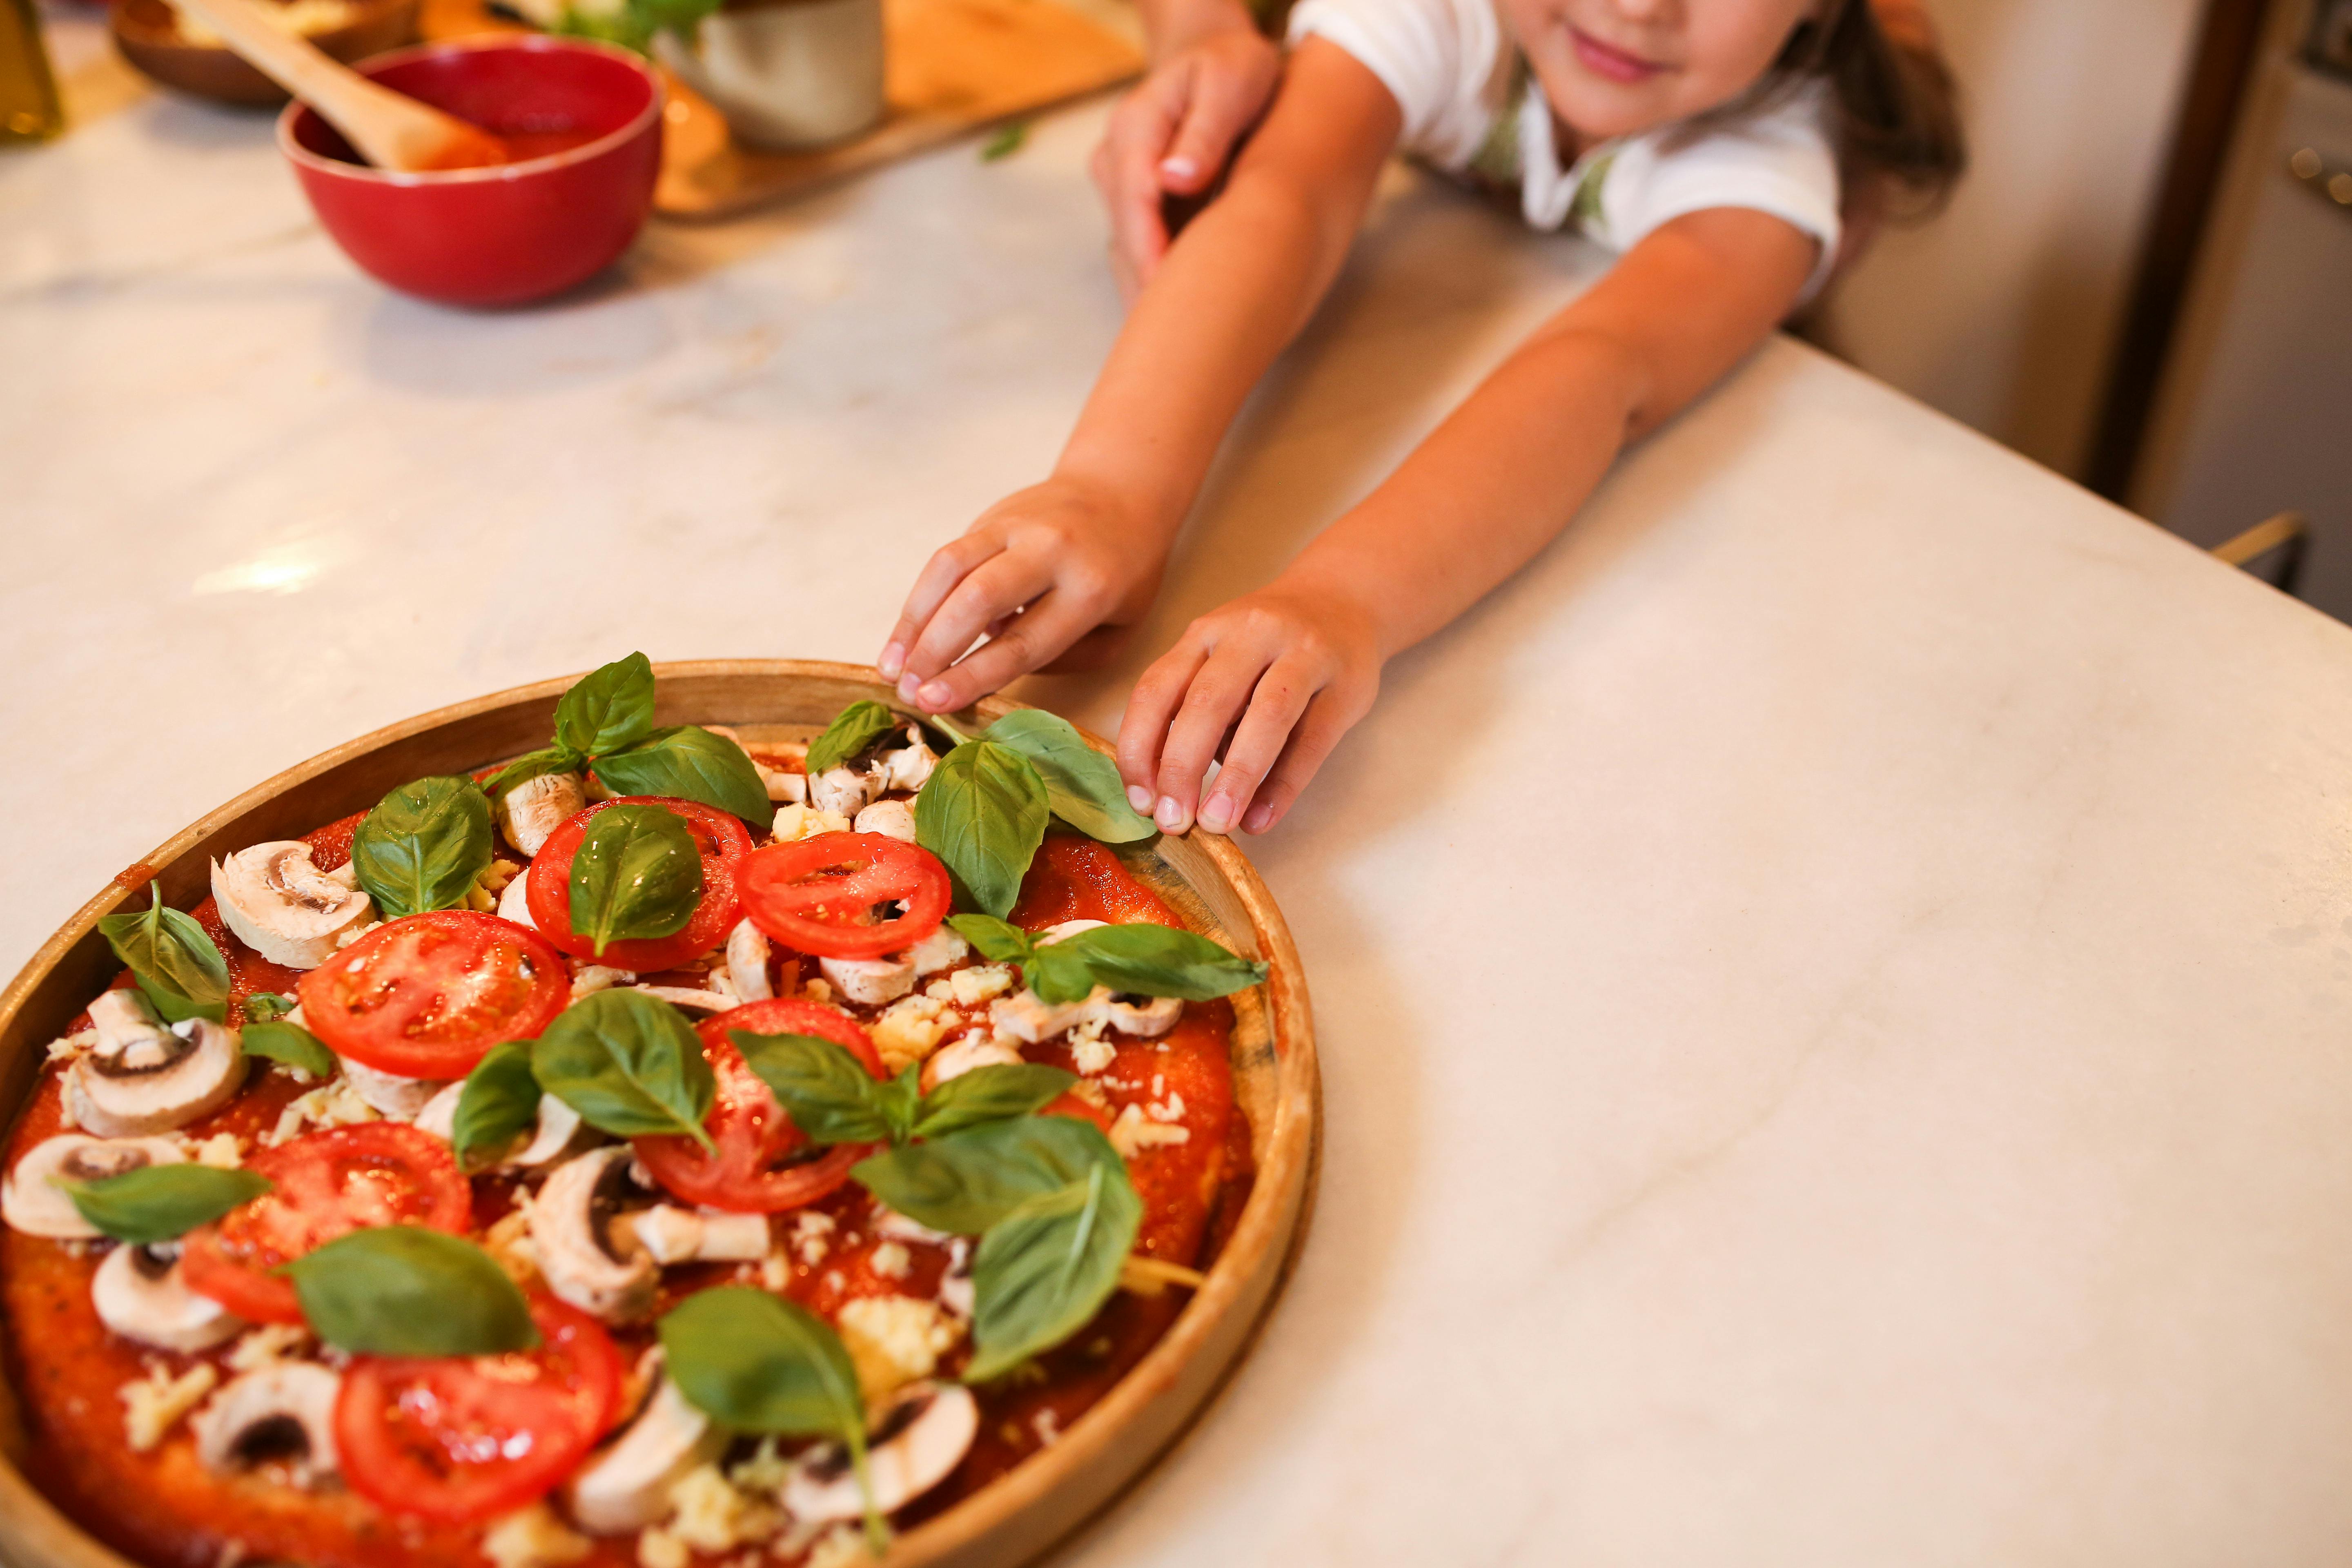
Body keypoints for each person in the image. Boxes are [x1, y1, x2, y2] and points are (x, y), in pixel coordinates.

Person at [879, 0, 1964, 837]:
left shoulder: (1781, 143)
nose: (1639, 5)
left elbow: (1603, 370)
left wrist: (1342, 601)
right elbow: (1288, 199)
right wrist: (1110, 488)